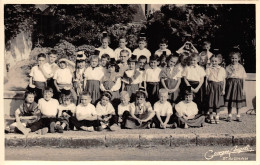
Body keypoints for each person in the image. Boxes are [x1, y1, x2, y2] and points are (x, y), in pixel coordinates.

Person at [225, 51, 247, 122]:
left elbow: (243, 78)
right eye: (232, 58)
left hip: (238, 84)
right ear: (230, 59)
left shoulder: (241, 67)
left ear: (239, 59)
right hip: (230, 84)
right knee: (230, 99)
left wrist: (243, 88)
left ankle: (238, 115)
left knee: (238, 99)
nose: (234, 60)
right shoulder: (228, 67)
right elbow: (225, 78)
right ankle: (229, 115)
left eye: (235, 58)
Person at [205, 55, 226, 124]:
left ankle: (217, 116)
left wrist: (223, 89)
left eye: (216, 61)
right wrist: (206, 88)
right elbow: (206, 80)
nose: (214, 62)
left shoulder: (222, 69)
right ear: (210, 61)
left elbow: (224, 80)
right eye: (212, 61)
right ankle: (211, 116)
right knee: (211, 101)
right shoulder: (208, 69)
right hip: (211, 86)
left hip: (219, 87)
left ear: (219, 61)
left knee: (218, 101)